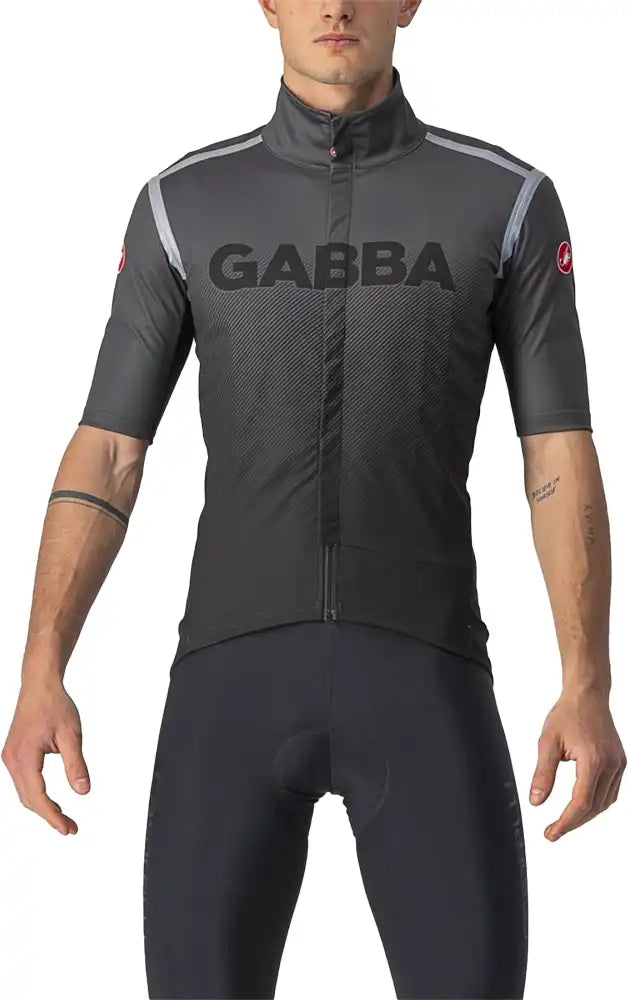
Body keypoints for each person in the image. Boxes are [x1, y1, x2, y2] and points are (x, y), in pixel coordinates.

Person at [2, 1, 625, 998]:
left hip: (425, 672)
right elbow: (110, 449)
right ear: (267, 4)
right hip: (229, 684)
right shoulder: (183, 204)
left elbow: (555, 450)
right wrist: (41, 669)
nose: (335, 5)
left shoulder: (504, 201)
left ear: (409, 2)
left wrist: (586, 682)